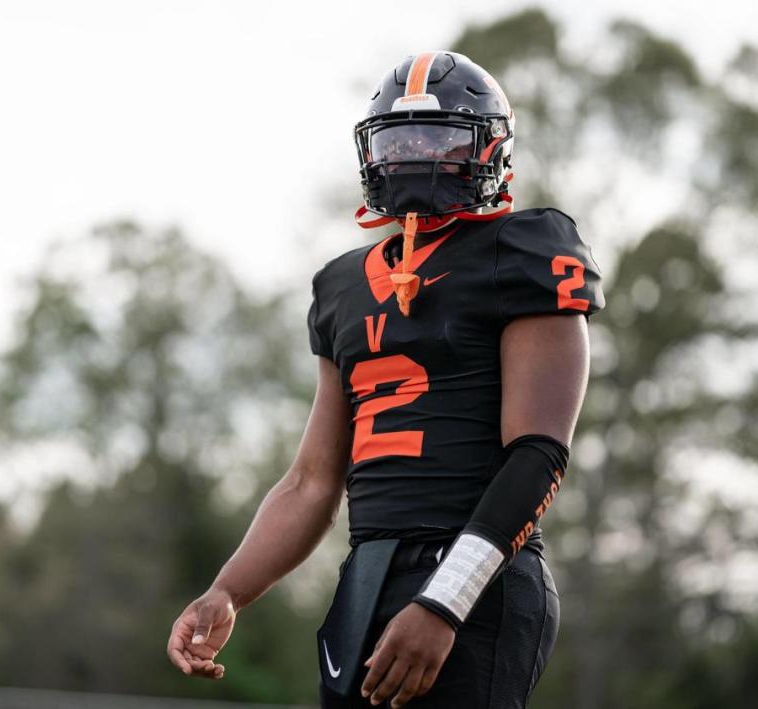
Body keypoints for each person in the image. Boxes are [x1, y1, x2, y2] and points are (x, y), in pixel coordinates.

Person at [167, 50, 605, 708]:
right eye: (399, 140)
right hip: (367, 572)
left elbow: (538, 455)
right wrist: (227, 589)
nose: (417, 156)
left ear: (490, 151)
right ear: (372, 154)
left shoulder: (526, 249)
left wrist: (445, 601)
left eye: (442, 138)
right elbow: (311, 479)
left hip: (478, 575)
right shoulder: (341, 285)